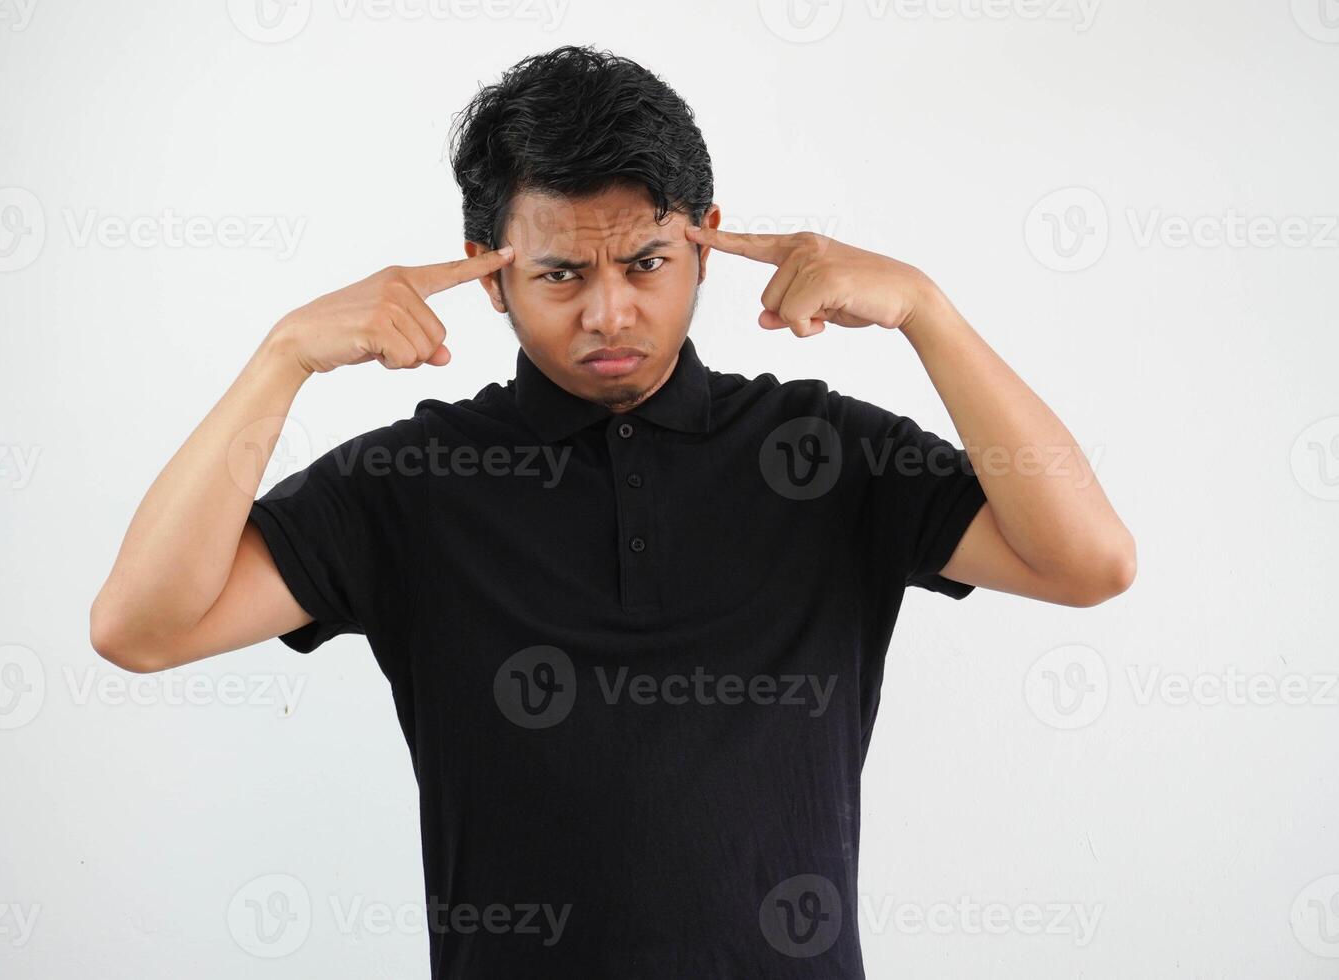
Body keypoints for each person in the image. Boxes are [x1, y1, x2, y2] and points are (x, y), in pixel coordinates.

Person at [90, 44, 1134, 979]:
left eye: (645, 263)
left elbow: (1090, 560)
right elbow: (140, 627)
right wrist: (283, 357)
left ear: (706, 241)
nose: (609, 312)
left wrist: (927, 313)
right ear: (489, 272)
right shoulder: (412, 482)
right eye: (559, 274)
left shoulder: (824, 453)